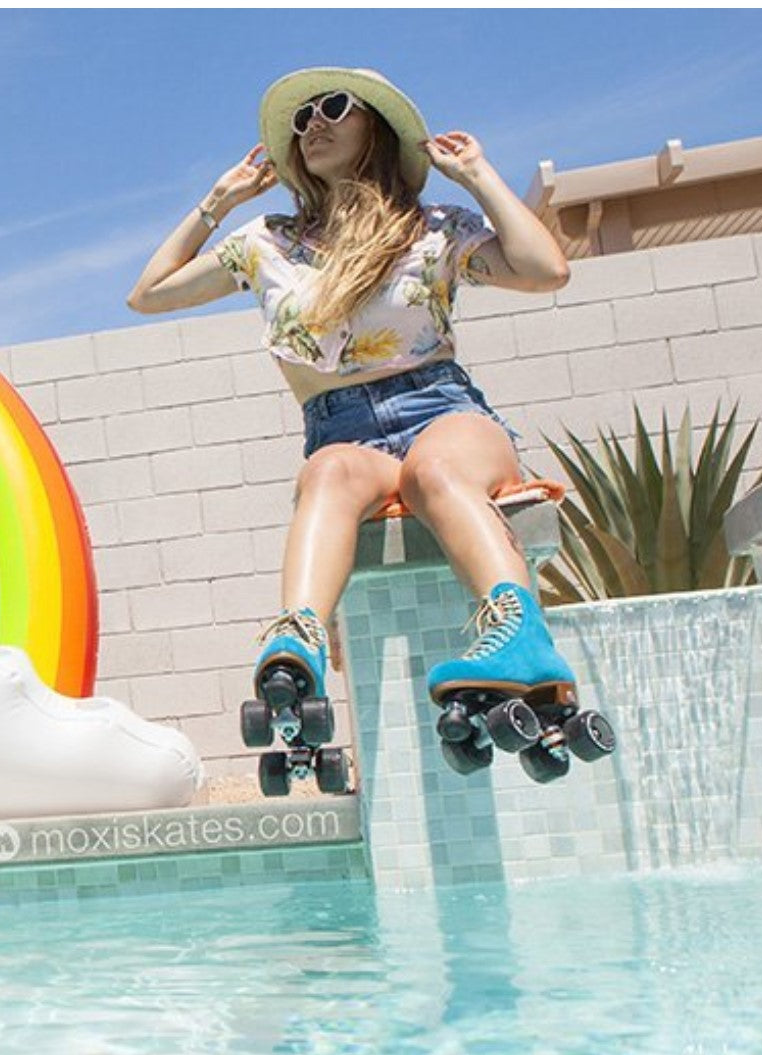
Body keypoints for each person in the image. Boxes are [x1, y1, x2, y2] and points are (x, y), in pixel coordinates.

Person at [127, 66, 577, 740]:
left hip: (440, 408)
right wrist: (217, 201)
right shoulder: (264, 245)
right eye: (301, 118)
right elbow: (149, 293)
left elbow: (546, 272)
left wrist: (479, 177)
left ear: (378, 129)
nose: (313, 124)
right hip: (339, 429)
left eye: (333, 107)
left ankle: (518, 633)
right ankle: (297, 637)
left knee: (436, 475)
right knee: (327, 475)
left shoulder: (432, 229)